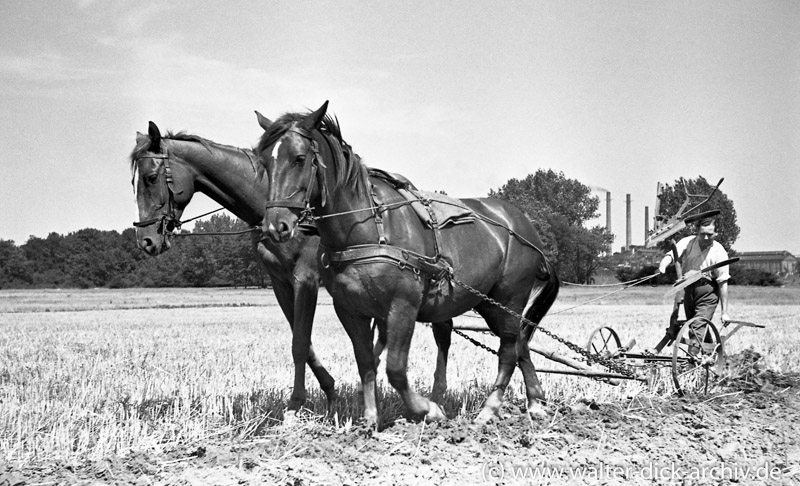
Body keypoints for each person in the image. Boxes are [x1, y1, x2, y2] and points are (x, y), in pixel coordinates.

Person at [658, 211, 731, 337]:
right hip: (689, 290)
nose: (706, 238)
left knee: (697, 326)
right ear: (697, 232)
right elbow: (673, 253)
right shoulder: (689, 242)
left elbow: (723, 283)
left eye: (710, 234)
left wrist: (724, 312)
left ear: (716, 233)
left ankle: (694, 355)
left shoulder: (720, 253)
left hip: (708, 293)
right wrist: (663, 265)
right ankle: (708, 353)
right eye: (702, 234)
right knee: (696, 326)